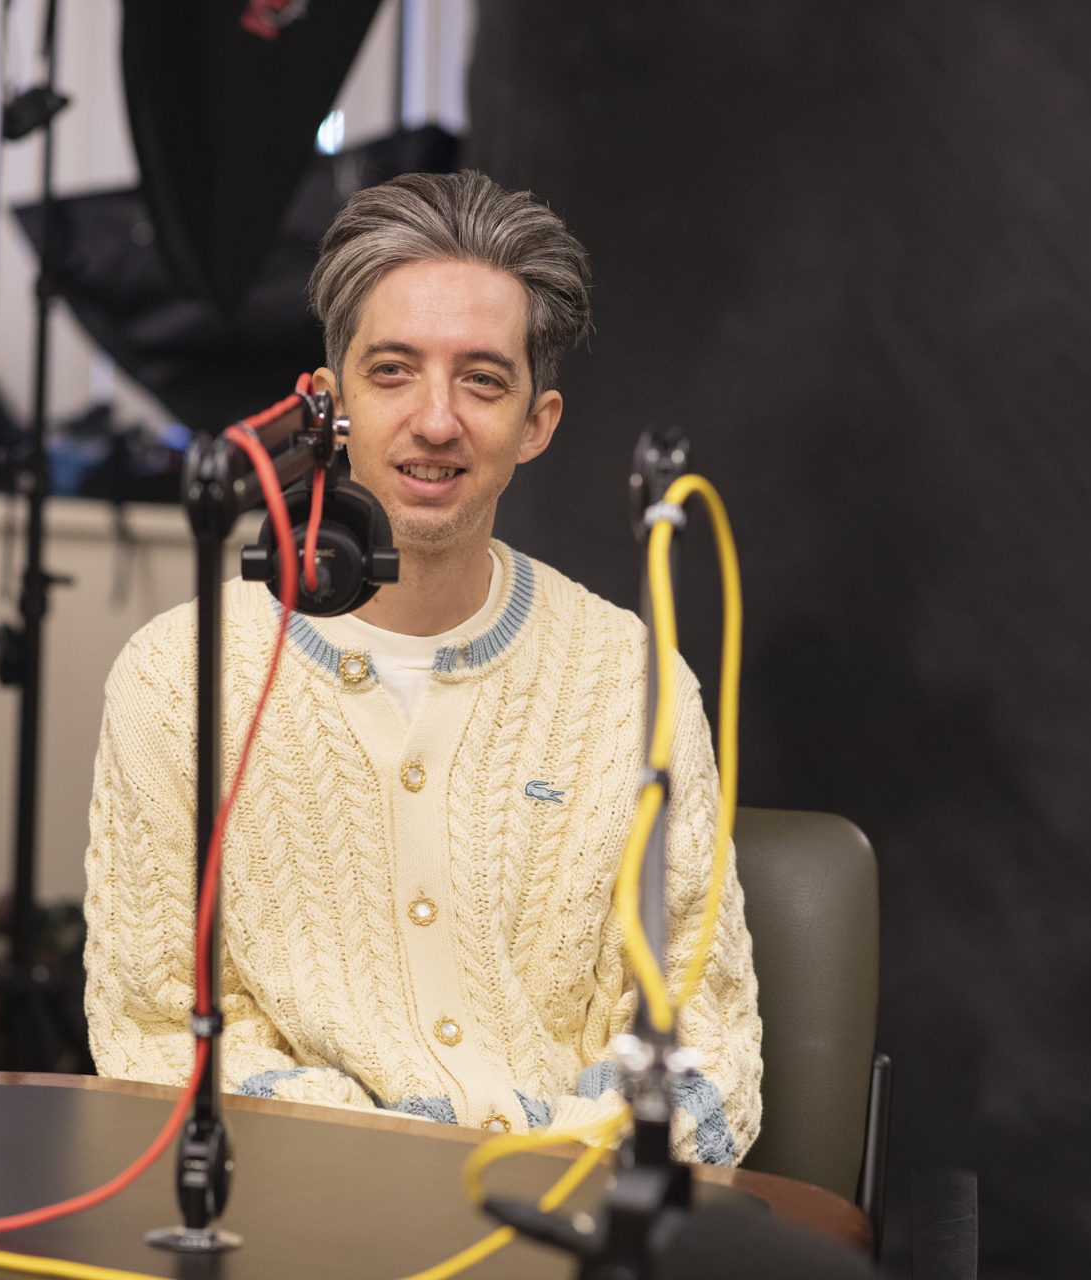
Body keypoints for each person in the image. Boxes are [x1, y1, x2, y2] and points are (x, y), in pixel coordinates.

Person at [83, 171, 760, 1163]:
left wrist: (520, 1175)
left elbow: (710, 1047)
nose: (435, 419)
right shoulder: (179, 678)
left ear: (538, 422)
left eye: (482, 379)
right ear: (327, 403)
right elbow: (151, 1038)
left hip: (572, 1229)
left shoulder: (633, 680)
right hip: (307, 1236)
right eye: (393, 370)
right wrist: (397, 1177)